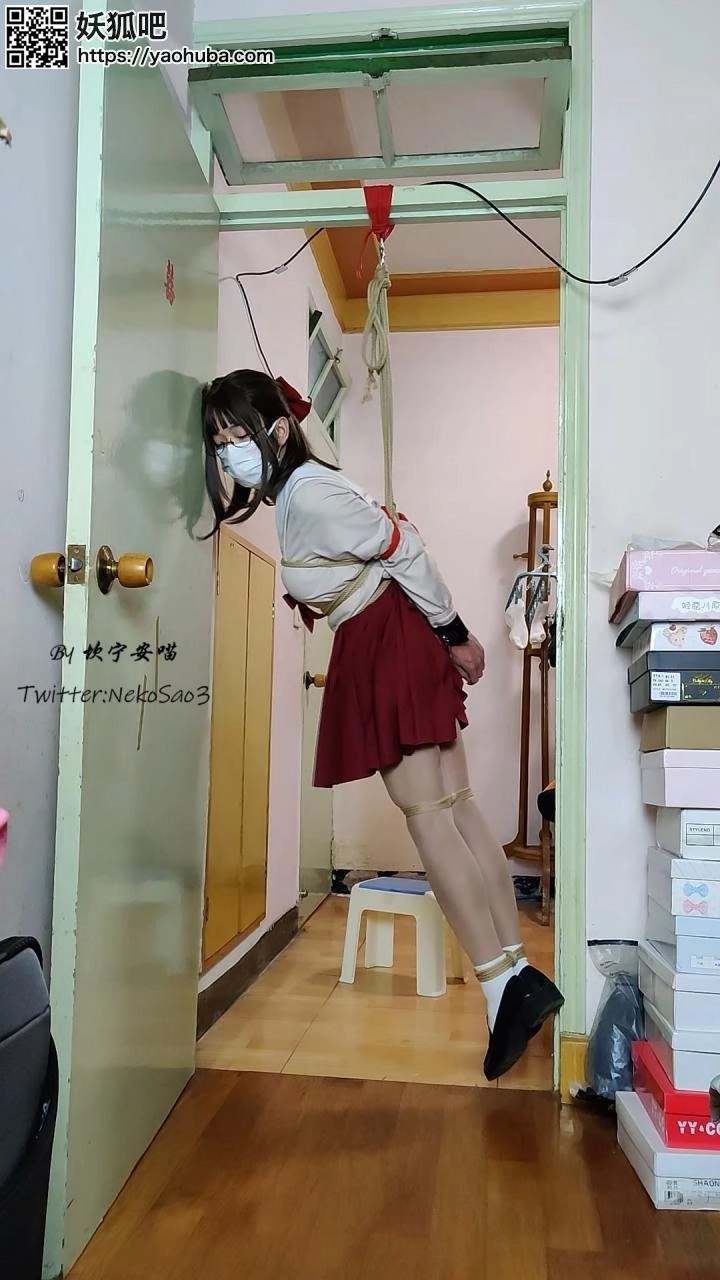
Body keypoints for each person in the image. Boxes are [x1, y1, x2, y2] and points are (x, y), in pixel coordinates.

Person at [200, 368, 563, 1080]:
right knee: (456, 813)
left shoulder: (309, 492)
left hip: (388, 640)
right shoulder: (306, 493)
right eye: (218, 443)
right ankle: (518, 976)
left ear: (278, 431)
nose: (228, 453)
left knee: (432, 823)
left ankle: (502, 989)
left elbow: (405, 549)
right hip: (388, 636)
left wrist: (456, 635)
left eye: (237, 436)